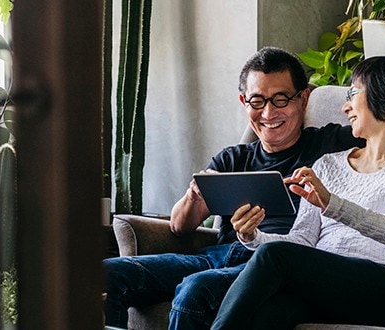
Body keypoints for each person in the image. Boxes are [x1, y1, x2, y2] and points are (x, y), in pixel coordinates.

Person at [103, 47, 363, 329]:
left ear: (303, 99)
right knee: (106, 273)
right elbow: (180, 226)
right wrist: (194, 195)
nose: (268, 112)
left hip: (270, 265)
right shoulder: (232, 158)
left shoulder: (329, 143)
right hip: (217, 256)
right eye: (257, 100)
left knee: (195, 288)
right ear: (243, 101)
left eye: (280, 99)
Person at [211, 56, 385, 329]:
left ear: (384, 94)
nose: (345, 106)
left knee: (274, 256)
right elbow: (302, 239)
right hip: (324, 286)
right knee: (265, 317)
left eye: (352, 93)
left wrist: (332, 203)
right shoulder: (328, 164)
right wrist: (252, 237)